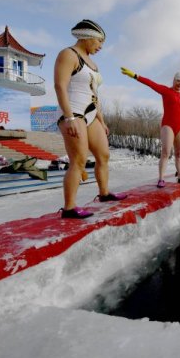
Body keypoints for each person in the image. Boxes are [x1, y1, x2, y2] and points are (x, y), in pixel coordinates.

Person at [54, 19, 126, 219]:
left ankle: (104, 194)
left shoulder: (93, 63)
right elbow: (60, 85)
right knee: (78, 160)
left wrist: (101, 121)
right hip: (73, 112)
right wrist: (68, 117)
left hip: (92, 114)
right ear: (88, 37)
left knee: (103, 155)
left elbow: (94, 93)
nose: (101, 47)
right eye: (99, 42)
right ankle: (69, 207)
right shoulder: (68, 54)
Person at [120, 67, 180, 188]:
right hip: (168, 125)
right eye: (178, 81)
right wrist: (135, 76)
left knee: (178, 154)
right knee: (166, 152)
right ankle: (161, 178)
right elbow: (151, 83)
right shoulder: (166, 91)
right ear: (173, 80)